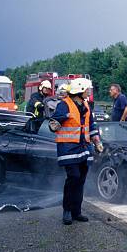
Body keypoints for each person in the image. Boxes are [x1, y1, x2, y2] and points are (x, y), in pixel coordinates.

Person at [51, 78, 104, 225]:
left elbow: (91, 126)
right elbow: (54, 122)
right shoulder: (64, 105)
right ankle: (67, 211)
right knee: (73, 177)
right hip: (68, 149)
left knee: (80, 180)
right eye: (87, 89)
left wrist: (97, 142)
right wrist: (54, 124)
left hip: (84, 148)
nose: (88, 92)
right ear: (79, 91)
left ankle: (77, 212)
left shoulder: (86, 105)